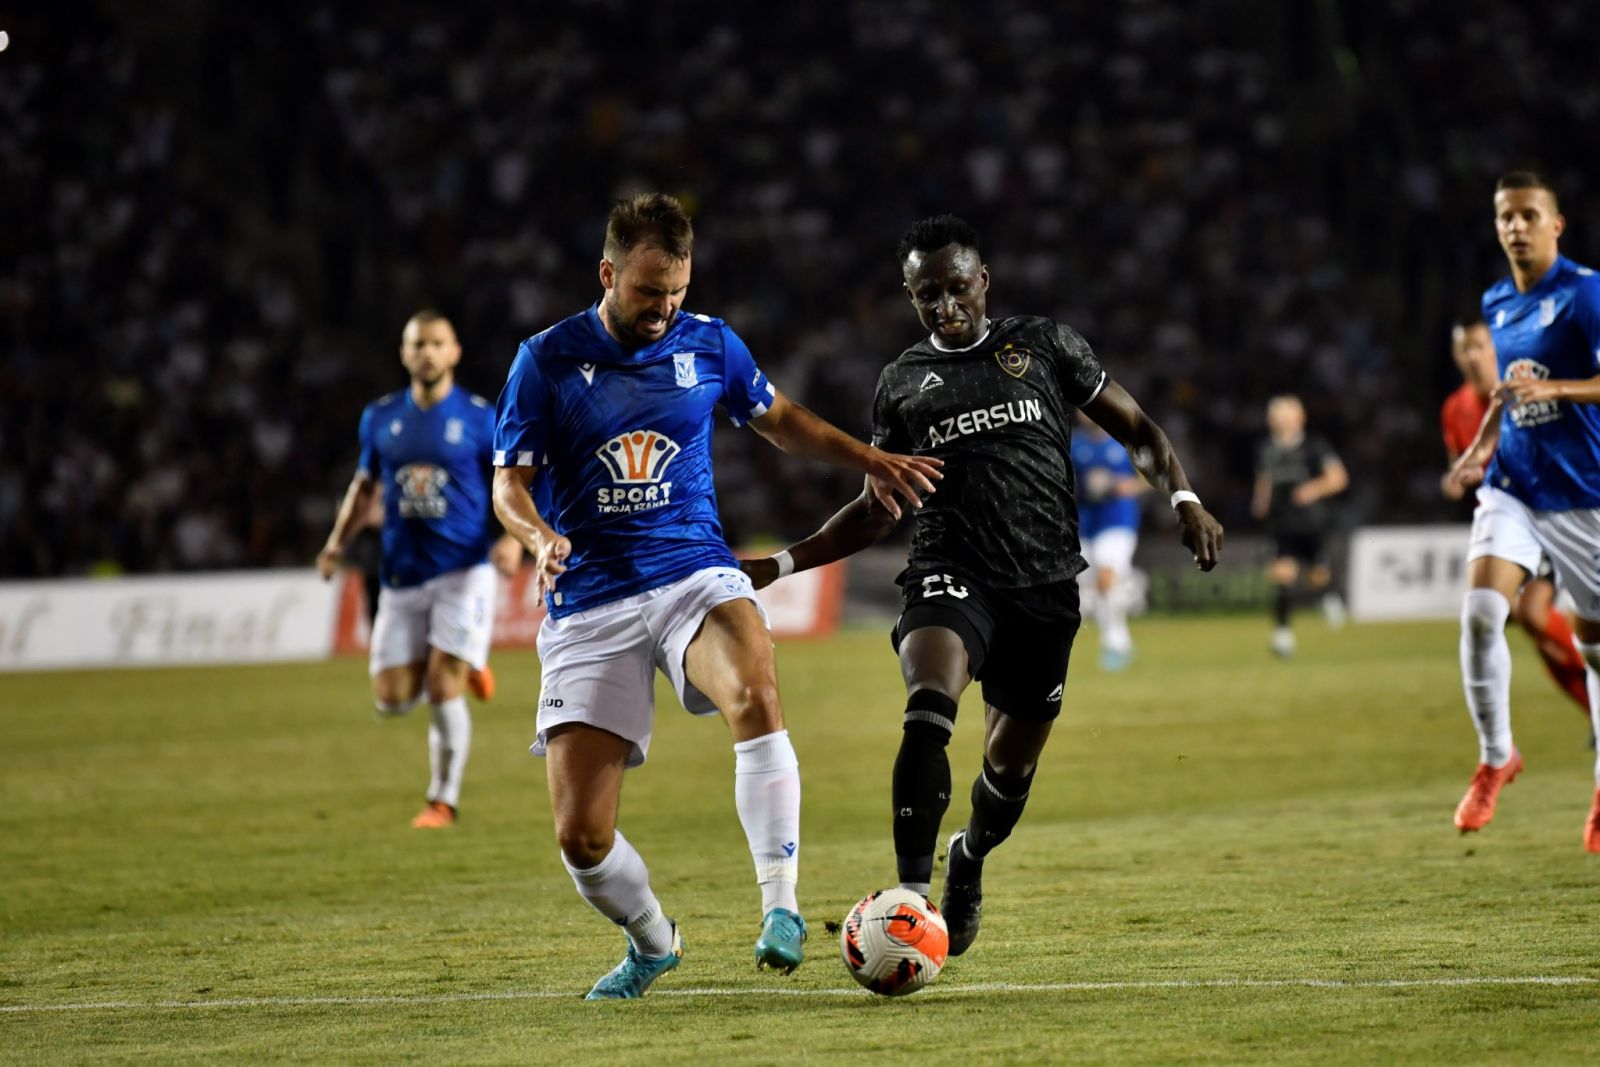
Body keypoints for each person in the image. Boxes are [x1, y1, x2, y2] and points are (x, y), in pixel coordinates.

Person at [489, 193, 941, 999]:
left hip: (693, 571)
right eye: (648, 291)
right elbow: (508, 485)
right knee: (582, 838)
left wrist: (868, 458)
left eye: (677, 291)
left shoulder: (710, 343)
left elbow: (782, 419)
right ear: (608, 273)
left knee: (755, 689)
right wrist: (538, 537)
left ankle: (781, 907)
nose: (664, 308)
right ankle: (653, 940)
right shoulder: (546, 360)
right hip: (590, 597)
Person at [742, 215, 1223, 957]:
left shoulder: (1046, 345)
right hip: (950, 569)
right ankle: (911, 901)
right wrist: (779, 565)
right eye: (926, 294)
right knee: (928, 702)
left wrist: (1184, 497)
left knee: (1009, 770)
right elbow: (877, 507)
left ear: (983, 280)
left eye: (956, 287)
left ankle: (967, 857)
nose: (945, 306)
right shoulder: (902, 384)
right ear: (910, 296)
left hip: (1045, 584)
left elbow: (1139, 431)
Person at [1444, 170, 1600, 851]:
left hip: (1583, 492)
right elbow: (1508, 394)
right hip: (1514, 483)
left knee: (1596, 651)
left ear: (1555, 224)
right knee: (1483, 612)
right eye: (1506, 216)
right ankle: (1497, 756)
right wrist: (1480, 448)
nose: (1516, 226)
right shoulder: (1498, 300)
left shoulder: (1586, 294)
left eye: (1528, 215)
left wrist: (1558, 388)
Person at [318, 310, 523, 829]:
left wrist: (511, 540)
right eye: (418, 344)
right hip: (402, 576)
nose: (427, 353)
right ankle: (469, 662)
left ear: (454, 352)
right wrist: (336, 543)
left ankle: (442, 801)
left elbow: (515, 482)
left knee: (440, 685)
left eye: (437, 343)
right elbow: (363, 487)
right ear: (404, 353)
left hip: (464, 569)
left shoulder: (480, 417)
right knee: (392, 700)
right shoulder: (380, 417)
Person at [1441, 318, 1590, 720]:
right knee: (1535, 629)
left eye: (1480, 345)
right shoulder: (1454, 408)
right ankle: (1592, 714)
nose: (1473, 356)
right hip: (1509, 522)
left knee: (1534, 614)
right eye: (1465, 349)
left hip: (1552, 510)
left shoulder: (1525, 389)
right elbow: (1461, 463)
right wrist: (1458, 478)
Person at [1250, 395, 1349, 658]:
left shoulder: (1315, 446)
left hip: (1312, 522)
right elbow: (1264, 478)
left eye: (1286, 415)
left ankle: (1327, 594)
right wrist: (1260, 502)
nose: (1281, 420)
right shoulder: (1267, 449)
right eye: (1277, 415)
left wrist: (1312, 489)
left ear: (1299, 418)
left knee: (1317, 576)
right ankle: (1282, 634)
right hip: (1281, 523)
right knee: (1282, 575)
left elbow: (1338, 478)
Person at [1071, 413, 1147, 670]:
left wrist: (1123, 486)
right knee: (1091, 586)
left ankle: (1116, 644)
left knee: (1105, 578)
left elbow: (1154, 475)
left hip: (1118, 520)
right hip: (1086, 523)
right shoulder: (1075, 445)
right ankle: (1117, 641)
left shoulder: (1125, 442)